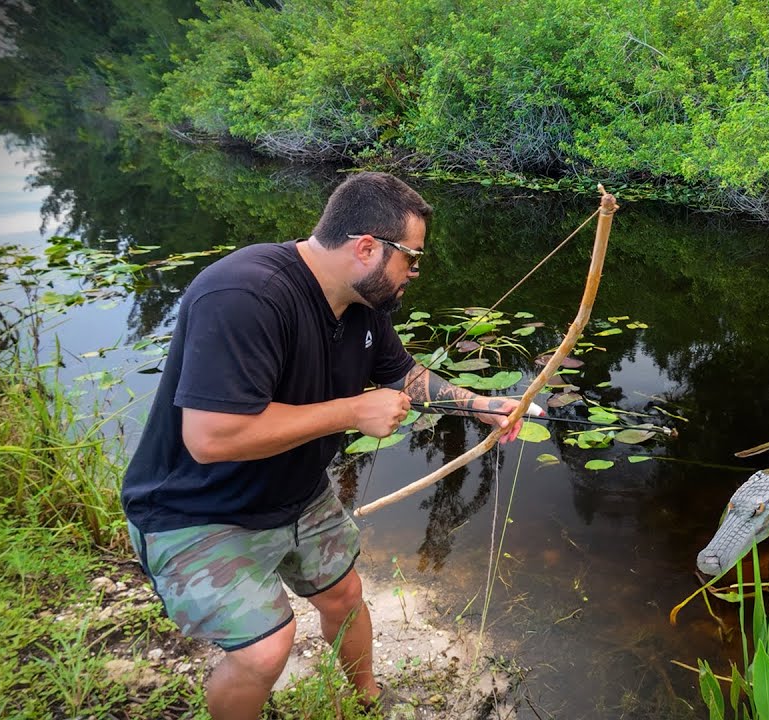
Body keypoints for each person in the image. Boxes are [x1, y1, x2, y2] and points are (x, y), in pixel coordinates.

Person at [121, 172, 528, 719]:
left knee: (344, 595)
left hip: (297, 493)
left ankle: (366, 701)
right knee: (266, 651)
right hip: (195, 511)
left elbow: (402, 375)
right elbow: (211, 437)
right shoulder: (246, 294)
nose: (414, 272)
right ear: (367, 247)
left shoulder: (363, 303)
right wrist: (352, 410)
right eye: (413, 257)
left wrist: (480, 405)